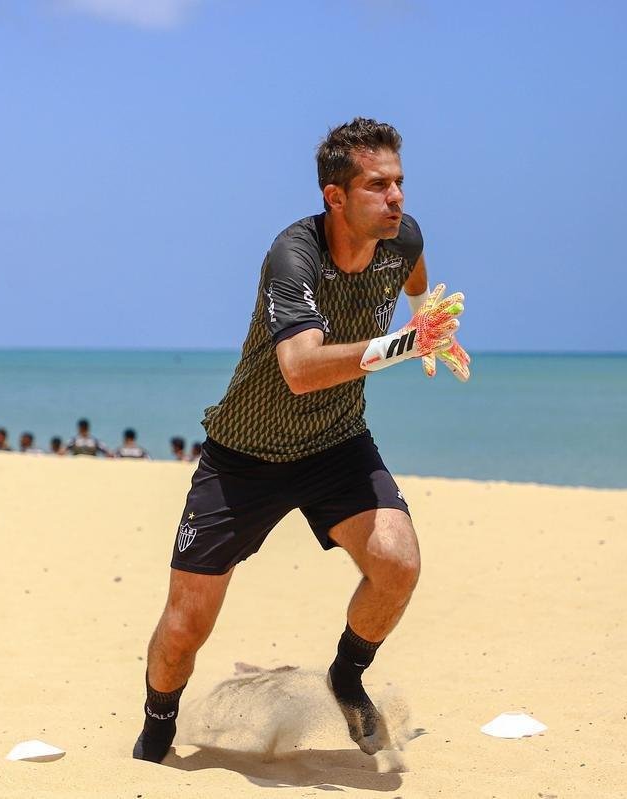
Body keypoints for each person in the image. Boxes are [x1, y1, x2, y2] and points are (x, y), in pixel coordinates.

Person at [132, 118, 469, 764]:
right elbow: (300, 367)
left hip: (337, 443)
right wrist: (405, 343)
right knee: (183, 631)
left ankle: (346, 674)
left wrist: (427, 318)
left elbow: (419, 278)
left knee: (398, 562)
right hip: (243, 456)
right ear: (334, 196)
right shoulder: (295, 254)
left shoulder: (404, 239)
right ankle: (156, 730)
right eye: (377, 185)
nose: (396, 197)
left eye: (399, 182)